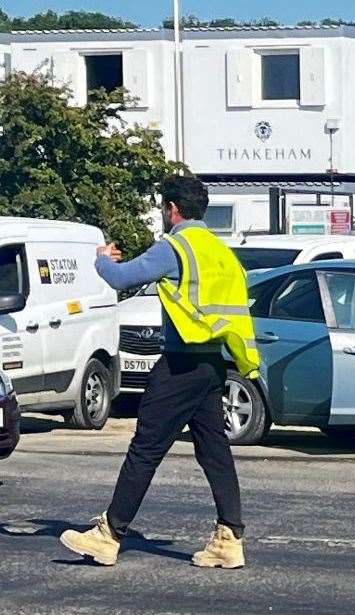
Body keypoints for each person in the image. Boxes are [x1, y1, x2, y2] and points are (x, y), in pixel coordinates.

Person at [60, 175, 260, 568]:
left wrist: (102, 258)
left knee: (145, 448)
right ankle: (229, 537)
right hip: (212, 363)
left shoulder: (176, 246)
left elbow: (119, 279)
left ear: (172, 209)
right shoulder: (219, 251)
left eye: (162, 209)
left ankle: (109, 533)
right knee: (213, 450)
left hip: (180, 364)